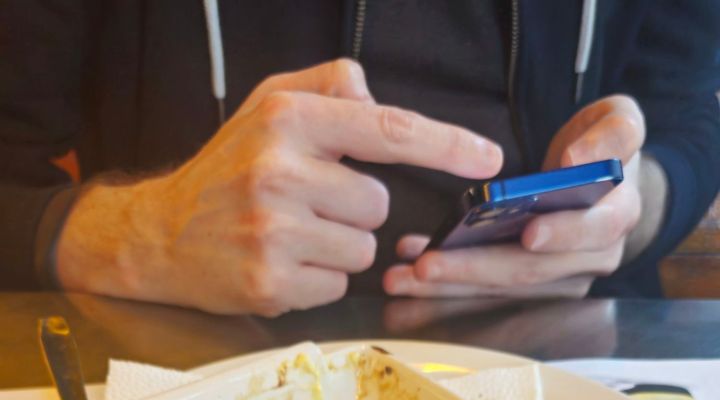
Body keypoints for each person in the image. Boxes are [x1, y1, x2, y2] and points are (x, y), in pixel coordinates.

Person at [0, 1, 718, 317]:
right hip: (182, 356)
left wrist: (626, 209)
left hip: (571, 351)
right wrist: (141, 237)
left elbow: (690, 118)